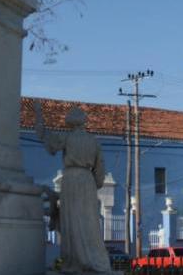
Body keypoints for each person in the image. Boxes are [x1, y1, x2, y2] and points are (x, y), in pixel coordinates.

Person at [33, 101, 115, 274]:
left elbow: (48, 140)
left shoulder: (67, 137)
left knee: (71, 220)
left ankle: (75, 262)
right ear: (84, 122)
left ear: (71, 122)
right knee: (89, 221)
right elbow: (100, 169)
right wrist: (95, 184)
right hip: (87, 181)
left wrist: (39, 118)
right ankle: (94, 259)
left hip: (70, 180)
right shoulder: (94, 141)